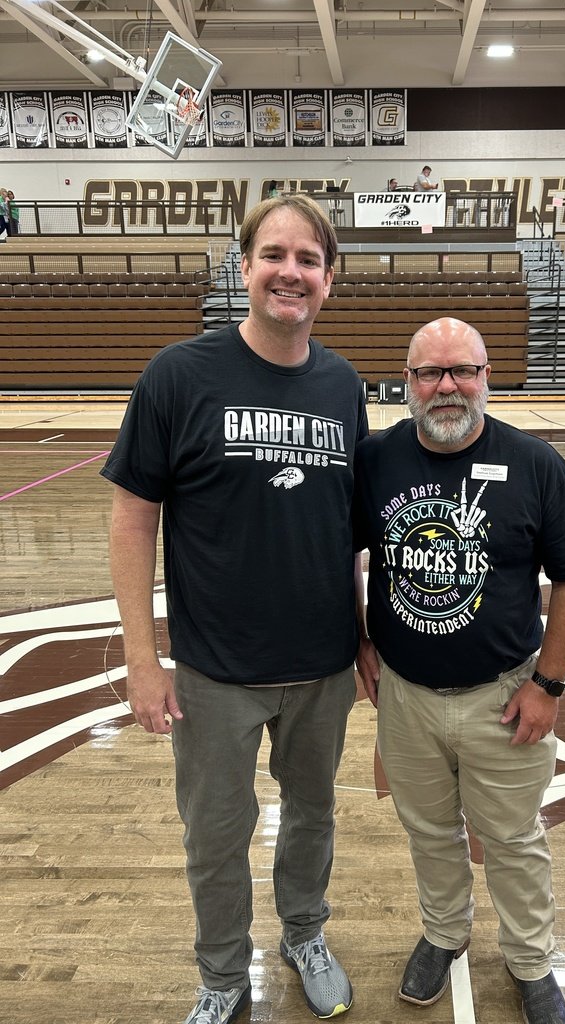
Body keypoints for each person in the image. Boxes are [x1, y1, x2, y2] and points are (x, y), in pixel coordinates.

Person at [101, 194, 368, 1024]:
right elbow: (132, 518)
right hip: (215, 670)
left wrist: (360, 633)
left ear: (329, 279)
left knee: (313, 818)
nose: (291, 271)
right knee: (215, 837)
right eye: (274, 254)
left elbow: (344, 527)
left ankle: (304, 933)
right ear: (243, 265)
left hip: (321, 665)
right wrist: (143, 662)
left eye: (309, 259)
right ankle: (222, 977)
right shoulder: (178, 376)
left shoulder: (343, 385)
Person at [353, 317, 565, 1024]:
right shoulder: (377, 460)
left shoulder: (537, 464)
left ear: (487, 376)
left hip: (504, 696)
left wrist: (547, 685)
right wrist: (357, 639)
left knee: (514, 840)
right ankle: (443, 933)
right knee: (429, 831)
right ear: (406, 383)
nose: (447, 387)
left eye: (463, 370)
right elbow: (343, 551)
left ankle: (530, 960)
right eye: (430, 373)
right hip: (403, 697)